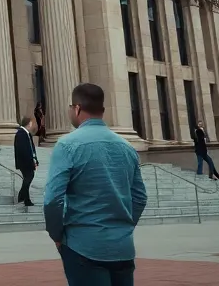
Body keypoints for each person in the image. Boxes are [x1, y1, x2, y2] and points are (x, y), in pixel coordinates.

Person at [44, 84, 147, 286]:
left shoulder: (67, 145)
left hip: (83, 246)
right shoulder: (126, 147)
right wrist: (123, 227)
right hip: (122, 247)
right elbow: (140, 197)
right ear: (102, 110)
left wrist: (57, 235)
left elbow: (52, 200)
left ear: (77, 108)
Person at [14, 116, 38, 207]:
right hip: (25, 162)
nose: (32, 124)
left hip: (29, 161)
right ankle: (23, 197)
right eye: (31, 122)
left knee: (28, 178)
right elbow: (23, 150)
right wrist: (30, 161)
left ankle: (24, 198)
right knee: (29, 177)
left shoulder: (27, 133)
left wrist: (35, 159)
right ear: (29, 123)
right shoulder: (21, 133)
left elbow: (31, 148)